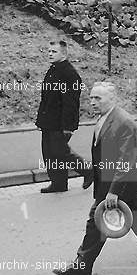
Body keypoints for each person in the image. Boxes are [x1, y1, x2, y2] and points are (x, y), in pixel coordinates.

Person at [53, 82, 137, 275]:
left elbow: (127, 160)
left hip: (125, 182)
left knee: (104, 219)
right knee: (135, 217)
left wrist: (114, 191)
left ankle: (83, 265)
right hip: (110, 182)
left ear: (112, 99)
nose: (92, 102)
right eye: (91, 98)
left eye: (98, 98)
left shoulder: (124, 122)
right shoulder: (104, 119)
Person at [36, 40, 92, 193]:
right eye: (49, 51)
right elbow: (46, 97)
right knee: (50, 154)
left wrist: (68, 127)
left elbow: (71, 104)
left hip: (59, 123)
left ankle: (88, 171)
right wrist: (41, 120)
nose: (50, 54)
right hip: (49, 121)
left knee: (60, 152)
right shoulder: (53, 69)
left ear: (64, 54)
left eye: (54, 51)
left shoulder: (69, 74)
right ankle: (58, 183)